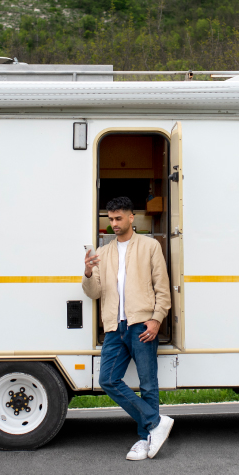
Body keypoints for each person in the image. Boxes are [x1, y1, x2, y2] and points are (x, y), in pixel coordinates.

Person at [83, 196, 174, 461]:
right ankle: (155, 423)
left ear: (131, 217)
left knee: (148, 385)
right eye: (110, 219)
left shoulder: (150, 246)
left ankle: (145, 440)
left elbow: (162, 287)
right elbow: (94, 292)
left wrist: (157, 319)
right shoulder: (102, 253)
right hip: (114, 327)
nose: (114, 224)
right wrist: (87, 273)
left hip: (141, 324)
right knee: (108, 380)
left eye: (119, 218)